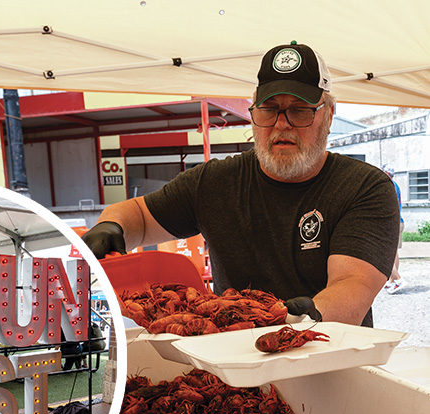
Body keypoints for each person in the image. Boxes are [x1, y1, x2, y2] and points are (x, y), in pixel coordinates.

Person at [82, 42, 398, 327]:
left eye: (300, 110)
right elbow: (138, 214)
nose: (281, 123)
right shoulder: (212, 182)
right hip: (234, 369)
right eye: (269, 109)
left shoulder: (364, 187)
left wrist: (297, 319)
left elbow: (353, 285)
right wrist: (113, 226)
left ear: (328, 116)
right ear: (253, 114)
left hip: (330, 362)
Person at [384, 166, 405, 294]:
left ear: (386, 173)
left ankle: (398, 279)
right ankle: (392, 280)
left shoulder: (387, 185)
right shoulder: (395, 185)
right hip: (399, 221)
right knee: (394, 252)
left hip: (391, 223)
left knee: (385, 253)